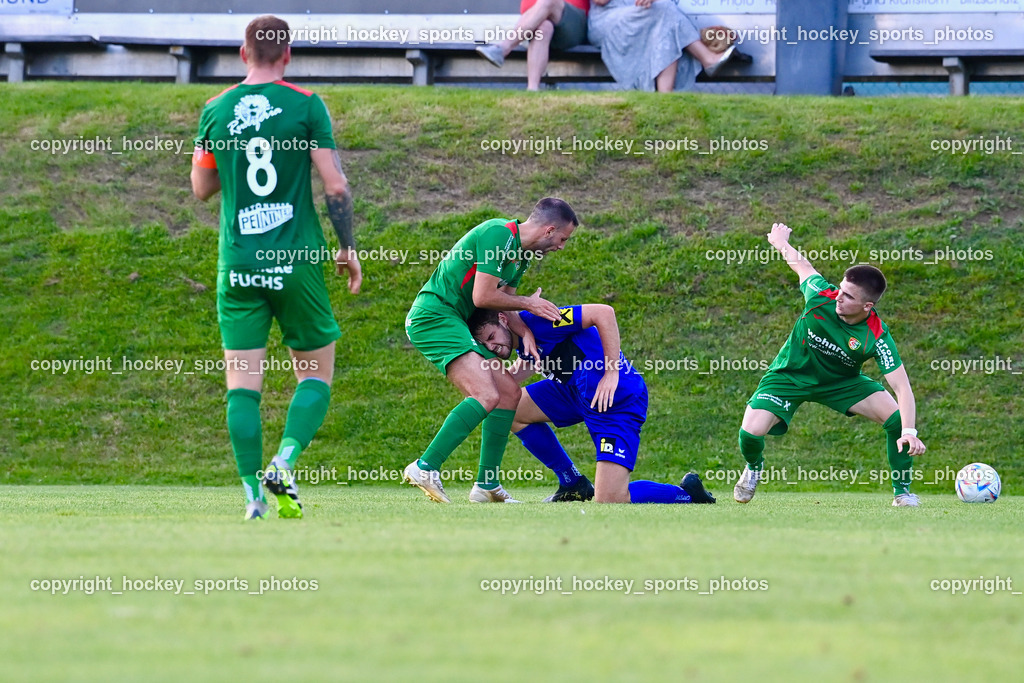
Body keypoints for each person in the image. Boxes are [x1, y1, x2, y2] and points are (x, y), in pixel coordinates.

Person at [191, 15, 362, 521]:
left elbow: (201, 189)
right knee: (315, 373)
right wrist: (348, 247)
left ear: (242, 54)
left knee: (242, 382)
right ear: (287, 56)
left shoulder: (215, 109)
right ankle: (284, 462)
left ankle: (252, 499)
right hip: (296, 261)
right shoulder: (307, 105)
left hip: (239, 263)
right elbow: (335, 185)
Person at [734, 223, 926, 507]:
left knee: (897, 419)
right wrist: (779, 242)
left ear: (867, 307)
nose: (839, 296)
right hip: (790, 376)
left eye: (848, 296)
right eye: (841, 289)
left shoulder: (876, 335)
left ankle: (903, 493)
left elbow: (902, 387)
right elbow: (802, 266)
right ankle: (754, 466)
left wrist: (909, 432)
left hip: (841, 383)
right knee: (750, 433)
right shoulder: (820, 295)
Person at [403, 199, 578, 504]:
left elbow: (502, 306)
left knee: (509, 392)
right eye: (563, 239)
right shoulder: (498, 234)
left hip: (454, 321)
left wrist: (524, 334)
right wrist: (529, 303)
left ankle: (487, 485)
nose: (561, 247)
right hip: (434, 317)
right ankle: (425, 467)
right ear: (549, 230)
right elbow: (483, 296)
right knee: (485, 394)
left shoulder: (521, 258)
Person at [467, 304, 716, 504]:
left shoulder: (542, 320)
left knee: (610, 498)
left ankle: (687, 493)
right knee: (508, 408)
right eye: (486, 345)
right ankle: (572, 482)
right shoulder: (521, 340)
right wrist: (489, 389)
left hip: (616, 400)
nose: (493, 347)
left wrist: (611, 371)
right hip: (574, 392)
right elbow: (531, 363)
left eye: (491, 336)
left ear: (503, 319)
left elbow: (603, 313)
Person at [588, 0, 746, 92]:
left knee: (665, 12)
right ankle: (707, 59)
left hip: (642, 17)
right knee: (664, 11)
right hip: (608, 21)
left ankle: (666, 98)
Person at [475, 0, 590, 91]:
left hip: (575, 24)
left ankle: (503, 48)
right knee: (543, 28)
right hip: (538, 19)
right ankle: (532, 89)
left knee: (549, 1)